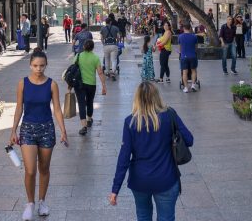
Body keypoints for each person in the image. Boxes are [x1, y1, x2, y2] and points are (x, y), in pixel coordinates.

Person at [109, 82, 194, 221]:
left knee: (143, 216)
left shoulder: (130, 122)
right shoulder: (169, 115)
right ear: (157, 97)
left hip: (140, 181)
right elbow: (189, 140)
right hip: (166, 179)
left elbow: (123, 157)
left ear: (137, 99)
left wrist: (115, 189)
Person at [10, 48, 68, 220]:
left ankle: (42, 201)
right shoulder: (22, 83)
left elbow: (57, 109)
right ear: (30, 65)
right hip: (27, 128)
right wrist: (13, 130)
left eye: (42, 66)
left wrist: (63, 130)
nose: (39, 69)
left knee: (44, 168)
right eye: (35, 65)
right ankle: (30, 203)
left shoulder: (52, 84)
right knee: (30, 170)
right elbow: (19, 107)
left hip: (46, 129)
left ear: (46, 66)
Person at [73, 40, 107, 136]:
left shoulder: (78, 56)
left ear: (84, 47)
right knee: (89, 102)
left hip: (79, 84)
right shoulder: (95, 58)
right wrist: (104, 86)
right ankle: (89, 119)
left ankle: (84, 126)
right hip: (91, 84)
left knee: (81, 103)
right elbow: (100, 73)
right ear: (93, 48)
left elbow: (73, 69)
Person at [177, 24, 199, 93]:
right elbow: (196, 47)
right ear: (190, 28)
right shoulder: (194, 36)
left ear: (183, 28)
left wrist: (180, 52)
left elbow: (180, 48)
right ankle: (193, 85)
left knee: (184, 72)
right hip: (192, 56)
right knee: (193, 71)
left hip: (184, 56)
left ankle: (186, 87)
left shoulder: (180, 37)